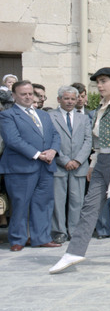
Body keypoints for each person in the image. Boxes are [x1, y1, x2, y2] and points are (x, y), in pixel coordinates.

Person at [49, 68, 110, 273]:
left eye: (104, 81)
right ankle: (74, 252)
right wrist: (94, 163)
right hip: (102, 159)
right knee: (89, 206)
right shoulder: (100, 108)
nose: (100, 86)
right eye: (98, 82)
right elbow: (98, 141)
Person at [0, 80, 61, 251]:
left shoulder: (43, 115)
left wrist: (53, 151)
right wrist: (37, 155)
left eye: (30, 93)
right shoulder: (8, 115)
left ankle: (41, 238)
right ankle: (18, 239)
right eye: (23, 94)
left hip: (46, 166)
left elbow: (55, 135)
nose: (28, 97)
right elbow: (13, 140)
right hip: (21, 168)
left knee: (43, 203)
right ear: (14, 96)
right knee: (20, 204)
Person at [50, 85, 92, 244]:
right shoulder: (50, 116)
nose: (70, 102)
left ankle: (75, 231)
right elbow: (49, 139)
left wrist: (78, 160)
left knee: (77, 201)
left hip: (79, 166)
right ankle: (59, 231)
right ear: (59, 99)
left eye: (73, 99)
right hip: (59, 165)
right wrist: (64, 160)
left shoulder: (84, 118)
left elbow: (88, 141)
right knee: (58, 201)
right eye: (66, 98)